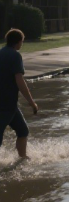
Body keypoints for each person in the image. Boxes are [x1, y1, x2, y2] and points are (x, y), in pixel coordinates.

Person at [0, 29, 39, 159]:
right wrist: (31, 102)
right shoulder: (15, 55)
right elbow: (19, 81)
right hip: (6, 104)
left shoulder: (1, 52)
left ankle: (22, 159)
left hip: (11, 105)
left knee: (23, 131)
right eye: (22, 41)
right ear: (18, 42)